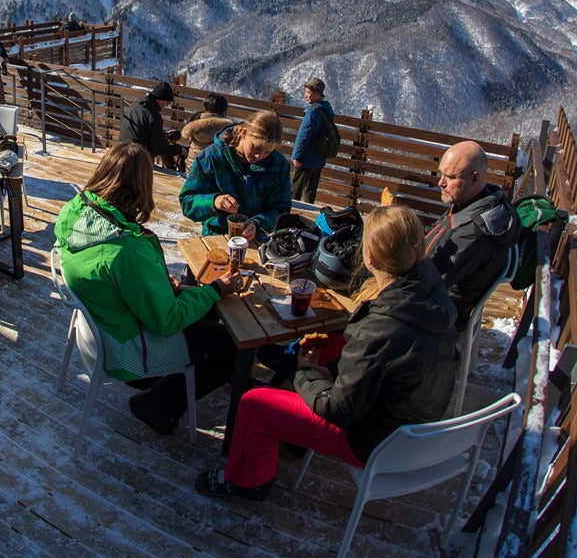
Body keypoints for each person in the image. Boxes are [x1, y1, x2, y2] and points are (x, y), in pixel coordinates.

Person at [194, 205, 458, 501]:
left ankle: (248, 482)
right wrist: (326, 371)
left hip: (375, 441)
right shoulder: (431, 293)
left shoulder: (381, 328)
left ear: (369, 257)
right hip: (415, 424)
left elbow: (338, 411)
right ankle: (295, 433)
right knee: (330, 344)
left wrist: (304, 373)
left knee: (254, 404)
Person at [57, 142, 245, 434]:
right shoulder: (125, 250)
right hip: (127, 352)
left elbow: (112, 274)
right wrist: (216, 290)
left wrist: (154, 281)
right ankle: (157, 405)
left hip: (102, 328)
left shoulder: (76, 210)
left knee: (202, 311)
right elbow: (166, 321)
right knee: (231, 348)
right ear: (142, 185)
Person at [425, 140, 519, 328]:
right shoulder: (478, 202)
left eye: (450, 177)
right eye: (441, 174)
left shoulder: (473, 233)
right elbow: (436, 233)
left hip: (439, 314)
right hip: (437, 292)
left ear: (475, 179)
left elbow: (427, 284)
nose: (440, 182)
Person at [179, 110, 292, 235]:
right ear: (244, 133)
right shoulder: (211, 157)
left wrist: (258, 223)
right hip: (217, 234)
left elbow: (281, 208)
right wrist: (214, 201)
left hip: (258, 235)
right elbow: (187, 203)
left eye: (267, 152)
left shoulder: (278, 165)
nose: (259, 156)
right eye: (256, 148)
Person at [118, 81, 185, 171]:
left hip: (121, 150)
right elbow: (159, 148)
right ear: (161, 99)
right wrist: (180, 150)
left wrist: (163, 134)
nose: (167, 105)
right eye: (168, 102)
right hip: (137, 158)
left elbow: (142, 130)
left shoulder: (136, 105)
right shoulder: (154, 116)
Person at [291, 77, 335, 203]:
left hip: (306, 159)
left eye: (308, 93)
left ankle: (289, 213)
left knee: (295, 192)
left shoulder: (313, 112)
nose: (306, 96)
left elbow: (304, 136)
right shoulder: (327, 109)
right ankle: (309, 212)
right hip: (319, 157)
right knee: (310, 192)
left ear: (317, 94)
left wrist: (296, 156)